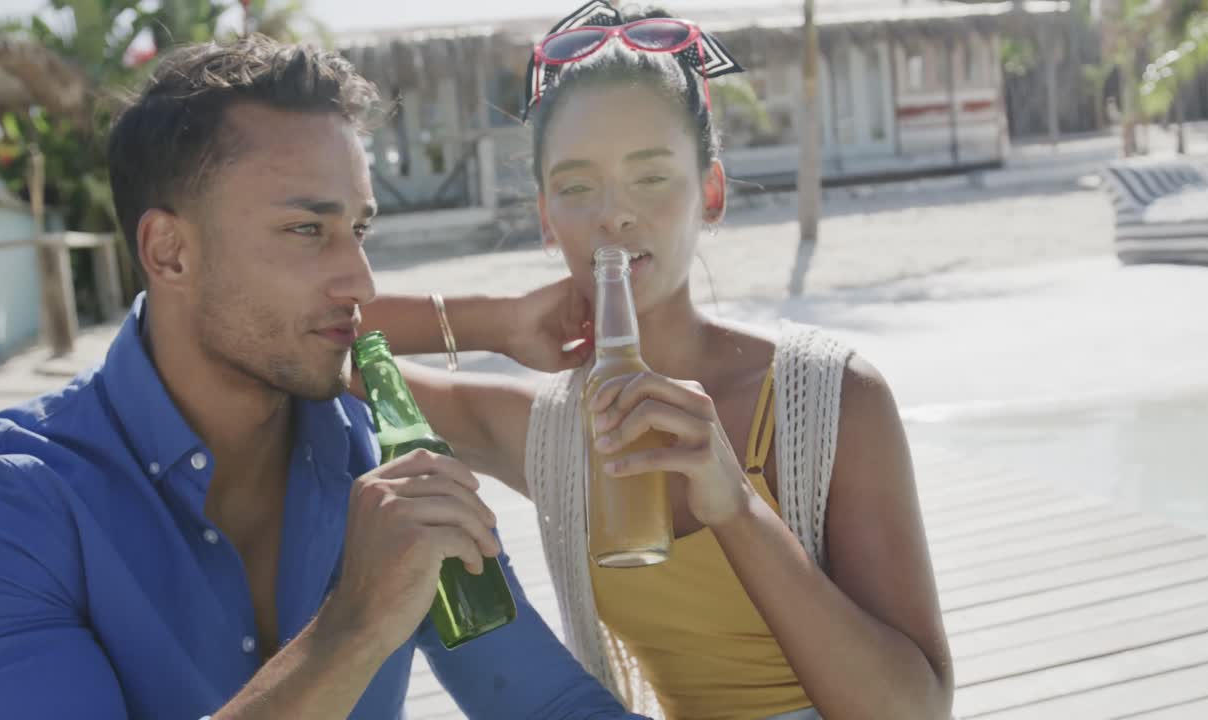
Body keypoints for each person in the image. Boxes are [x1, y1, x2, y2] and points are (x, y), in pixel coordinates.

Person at [0, 35, 650, 720]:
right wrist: (353, 626)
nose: (361, 280)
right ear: (170, 251)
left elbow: (548, 705)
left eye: (359, 230)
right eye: (309, 230)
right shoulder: (4, 510)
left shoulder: (379, 458)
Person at [360, 3, 955, 719]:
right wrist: (500, 319)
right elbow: (315, 342)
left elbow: (915, 709)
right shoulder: (546, 432)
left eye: (650, 177)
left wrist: (736, 507)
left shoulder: (826, 400)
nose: (614, 214)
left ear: (710, 192)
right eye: (578, 187)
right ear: (547, 217)